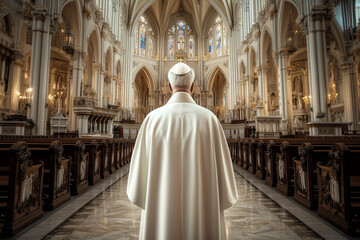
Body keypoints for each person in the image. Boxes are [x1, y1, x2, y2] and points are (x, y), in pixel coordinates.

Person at [127, 62, 238, 240]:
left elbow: (138, 177)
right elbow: (223, 173)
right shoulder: (210, 120)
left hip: (161, 212)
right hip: (202, 210)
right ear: (193, 87)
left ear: (169, 87)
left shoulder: (152, 120)